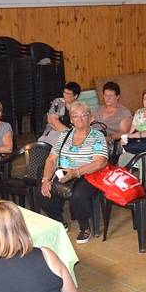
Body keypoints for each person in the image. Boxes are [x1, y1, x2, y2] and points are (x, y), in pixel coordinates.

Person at [38, 101, 108, 243]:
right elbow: (51, 160)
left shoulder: (97, 136)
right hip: (65, 172)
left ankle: (85, 227)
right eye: (76, 116)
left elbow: (100, 162)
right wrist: (45, 180)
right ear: (71, 120)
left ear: (89, 118)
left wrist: (76, 172)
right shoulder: (64, 135)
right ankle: (59, 221)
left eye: (84, 115)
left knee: (78, 195)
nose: (80, 118)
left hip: (89, 173)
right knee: (43, 192)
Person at [92, 81, 132, 162]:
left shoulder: (123, 112)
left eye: (111, 96)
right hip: (95, 137)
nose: (108, 98)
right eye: (106, 95)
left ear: (118, 96)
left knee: (95, 148)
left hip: (113, 141)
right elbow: (89, 125)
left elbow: (124, 132)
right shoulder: (98, 109)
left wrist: (109, 138)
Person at [39, 82, 81, 146]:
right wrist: (69, 132)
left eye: (68, 93)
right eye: (64, 92)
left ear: (75, 96)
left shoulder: (79, 107)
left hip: (72, 135)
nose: (65, 95)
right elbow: (52, 120)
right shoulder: (58, 102)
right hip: (54, 133)